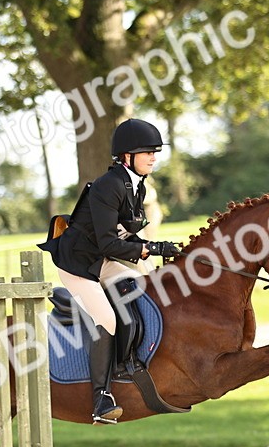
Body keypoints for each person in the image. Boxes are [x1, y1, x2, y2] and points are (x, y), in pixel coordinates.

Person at [38, 118, 182, 424]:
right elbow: (107, 242)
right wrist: (150, 249)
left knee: (141, 288)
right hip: (78, 264)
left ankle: (125, 364)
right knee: (106, 317)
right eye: (148, 152)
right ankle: (101, 399)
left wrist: (160, 248)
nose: (154, 157)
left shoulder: (135, 185)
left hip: (102, 259)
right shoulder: (109, 186)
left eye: (155, 152)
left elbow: (125, 236)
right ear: (127, 156)